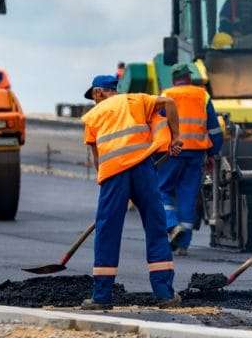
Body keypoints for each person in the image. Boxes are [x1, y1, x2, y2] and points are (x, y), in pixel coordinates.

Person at [79, 74, 184, 310]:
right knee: (156, 227)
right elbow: (169, 103)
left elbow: (97, 159)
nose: (94, 100)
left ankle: (101, 297)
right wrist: (176, 136)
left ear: (98, 92)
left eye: (93, 96)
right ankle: (165, 294)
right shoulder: (136, 100)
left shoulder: (93, 116)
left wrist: (107, 189)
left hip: (113, 174)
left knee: (107, 231)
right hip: (143, 169)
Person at [157, 63, 223, 256]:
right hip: (196, 154)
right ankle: (183, 245)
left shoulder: (166, 95)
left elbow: (157, 125)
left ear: (173, 79)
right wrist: (213, 153)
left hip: (171, 152)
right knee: (188, 195)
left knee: (161, 190)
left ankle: (171, 225)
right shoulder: (203, 95)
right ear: (189, 77)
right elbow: (214, 129)